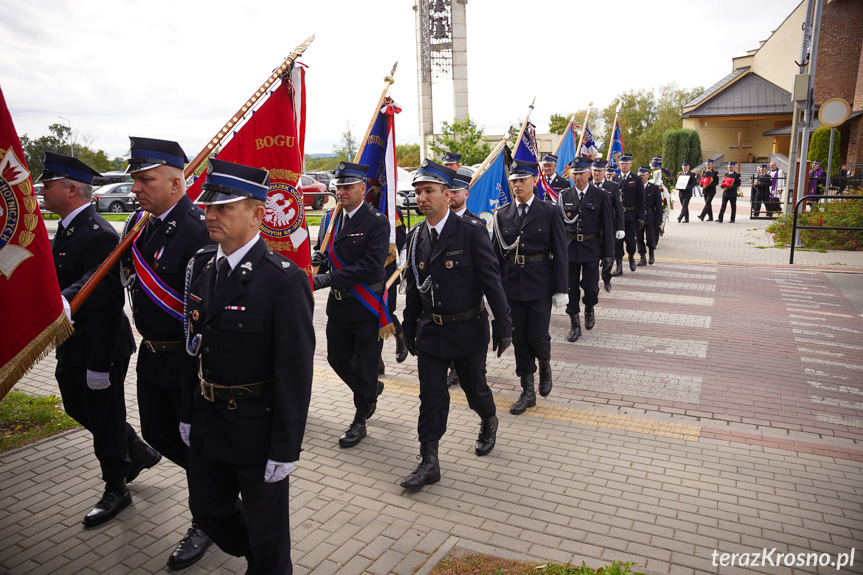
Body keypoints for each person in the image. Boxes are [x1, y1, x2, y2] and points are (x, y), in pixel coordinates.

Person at [182, 158, 314, 575]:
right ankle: (257, 555)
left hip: (257, 427)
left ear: (258, 213)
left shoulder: (283, 279)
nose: (210, 215)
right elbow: (197, 348)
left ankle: (267, 563)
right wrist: (188, 412)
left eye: (224, 207)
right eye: (208, 207)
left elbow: (296, 371)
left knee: (268, 530)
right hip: (209, 421)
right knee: (206, 511)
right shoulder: (206, 267)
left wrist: (286, 446)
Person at [39, 153, 147, 527]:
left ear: (71, 189)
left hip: (100, 344)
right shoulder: (68, 229)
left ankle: (116, 487)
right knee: (75, 405)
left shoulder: (98, 233)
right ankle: (134, 447)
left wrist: (99, 365)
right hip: (74, 340)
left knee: (105, 414)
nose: (42, 191)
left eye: (48, 185)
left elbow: (105, 301)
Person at [121, 136, 213, 568]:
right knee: (158, 435)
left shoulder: (197, 228)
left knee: (194, 444)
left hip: (185, 359)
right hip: (151, 355)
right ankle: (216, 490)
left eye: (145, 179)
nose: (136, 188)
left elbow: (206, 306)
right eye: (135, 179)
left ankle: (208, 518)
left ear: (176, 183)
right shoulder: (142, 225)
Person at [400, 160, 512, 491]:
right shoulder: (416, 235)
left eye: (428, 191)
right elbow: (414, 289)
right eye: (418, 191)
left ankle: (488, 419)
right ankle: (429, 462)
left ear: (447, 195)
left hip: (468, 329)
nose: (422, 197)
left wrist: (504, 326)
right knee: (431, 397)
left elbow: (492, 282)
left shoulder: (471, 231)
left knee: (475, 390)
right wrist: (408, 329)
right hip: (431, 332)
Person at [311, 162, 390, 448]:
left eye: (346, 187)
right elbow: (331, 254)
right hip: (339, 307)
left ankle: (360, 419)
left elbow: (370, 266)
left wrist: (327, 278)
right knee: (336, 358)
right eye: (338, 187)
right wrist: (320, 261)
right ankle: (369, 392)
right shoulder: (330, 219)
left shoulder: (376, 221)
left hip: (366, 307)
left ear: (362, 188)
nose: (340, 192)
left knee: (367, 365)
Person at [492, 159, 568, 415]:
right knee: (520, 340)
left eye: (522, 179)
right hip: (512, 286)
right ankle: (527, 391)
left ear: (534, 180)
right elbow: (496, 255)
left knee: (537, 337)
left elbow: (560, 251)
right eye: (513, 180)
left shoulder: (549, 212)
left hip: (540, 284)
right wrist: (494, 291)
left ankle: (545, 364)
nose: (517, 185)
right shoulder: (502, 214)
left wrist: (561, 289)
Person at [560, 157, 614, 343]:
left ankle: (589, 307)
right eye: (574, 174)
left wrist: (609, 253)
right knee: (570, 289)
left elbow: (607, 225)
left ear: (589, 174)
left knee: (590, 287)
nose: (577, 177)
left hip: (591, 248)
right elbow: (559, 228)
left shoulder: (601, 196)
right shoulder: (564, 196)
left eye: (581, 173)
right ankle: (575, 325)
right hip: (570, 249)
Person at [443, 171, 477, 388]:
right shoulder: (437, 223)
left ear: (466, 193)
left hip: (467, 292)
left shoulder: (476, 225)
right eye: (450, 191)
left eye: (457, 191)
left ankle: (465, 370)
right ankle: (453, 368)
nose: (452, 196)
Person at [611, 154, 645, 273]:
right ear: (619, 165)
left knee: (630, 241)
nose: (624, 165)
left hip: (631, 215)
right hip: (618, 216)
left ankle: (631, 256)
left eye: (626, 163)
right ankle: (619, 265)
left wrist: (641, 217)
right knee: (617, 242)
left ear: (630, 164)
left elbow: (641, 200)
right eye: (622, 163)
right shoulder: (614, 178)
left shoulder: (636, 179)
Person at [594, 160, 624, 292]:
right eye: (594, 170)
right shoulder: (588, 186)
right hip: (593, 228)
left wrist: (620, 227)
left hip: (608, 228)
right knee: (593, 258)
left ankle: (606, 278)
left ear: (604, 172)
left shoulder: (612, 186)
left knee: (609, 257)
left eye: (599, 171)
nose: (597, 173)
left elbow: (618, 208)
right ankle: (593, 282)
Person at [637, 166, 664, 265]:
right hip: (639, 217)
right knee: (639, 238)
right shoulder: (635, 187)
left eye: (643, 175)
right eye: (639, 175)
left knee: (650, 238)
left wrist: (659, 219)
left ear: (648, 175)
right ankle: (642, 257)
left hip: (650, 216)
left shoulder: (654, 188)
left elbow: (658, 205)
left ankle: (651, 253)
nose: (641, 177)